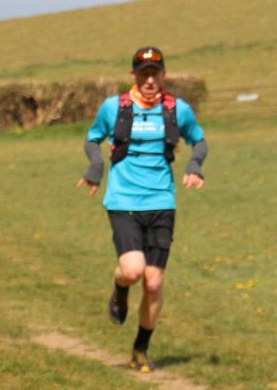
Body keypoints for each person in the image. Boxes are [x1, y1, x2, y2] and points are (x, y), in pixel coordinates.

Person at [77, 46, 207, 373]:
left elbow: (199, 141)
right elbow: (93, 139)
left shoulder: (177, 109)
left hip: (162, 203)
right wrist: (95, 168)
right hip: (123, 202)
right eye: (143, 73)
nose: (150, 80)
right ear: (134, 75)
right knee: (133, 271)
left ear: (163, 75)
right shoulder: (115, 107)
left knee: (152, 283)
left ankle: (140, 349)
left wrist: (195, 164)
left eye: (155, 73)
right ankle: (120, 288)